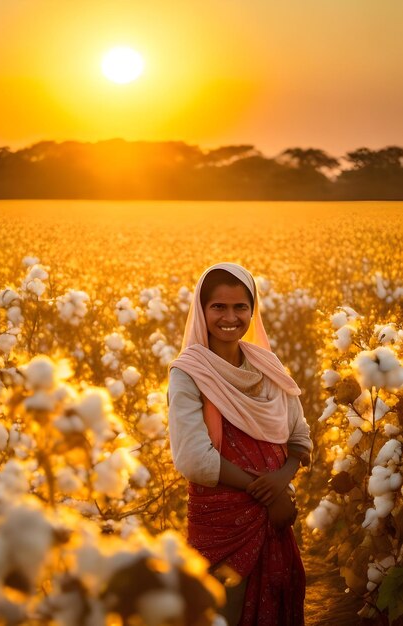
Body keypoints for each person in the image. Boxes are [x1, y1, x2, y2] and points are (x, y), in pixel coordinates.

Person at [167, 262, 312, 626]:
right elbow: (195, 460)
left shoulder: (268, 365)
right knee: (223, 608)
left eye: (240, 307)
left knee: (278, 597)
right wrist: (270, 493)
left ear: (253, 309)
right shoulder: (188, 372)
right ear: (202, 311)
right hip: (220, 523)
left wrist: (282, 481)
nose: (230, 317)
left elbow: (299, 436)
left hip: (275, 519)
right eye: (218, 307)